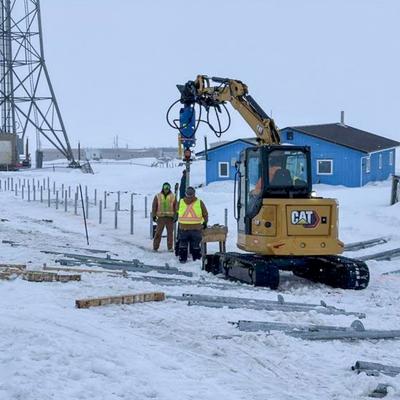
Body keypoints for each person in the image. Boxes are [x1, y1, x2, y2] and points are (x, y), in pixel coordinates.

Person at [176, 186, 208, 263]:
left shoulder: (180, 202)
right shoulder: (199, 202)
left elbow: (176, 211)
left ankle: (182, 258)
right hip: (196, 228)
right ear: (194, 193)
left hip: (183, 227)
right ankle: (196, 259)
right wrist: (204, 223)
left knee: (183, 243)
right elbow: (205, 214)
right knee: (196, 243)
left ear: (186, 194)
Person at [152, 182, 177, 252]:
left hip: (170, 218)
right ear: (163, 187)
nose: (166, 189)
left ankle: (170, 247)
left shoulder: (173, 196)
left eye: (168, 187)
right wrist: (154, 216)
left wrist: (176, 216)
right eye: (165, 187)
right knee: (158, 233)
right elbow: (154, 206)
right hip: (161, 218)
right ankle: (155, 247)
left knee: (170, 233)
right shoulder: (158, 196)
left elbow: (176, 207)